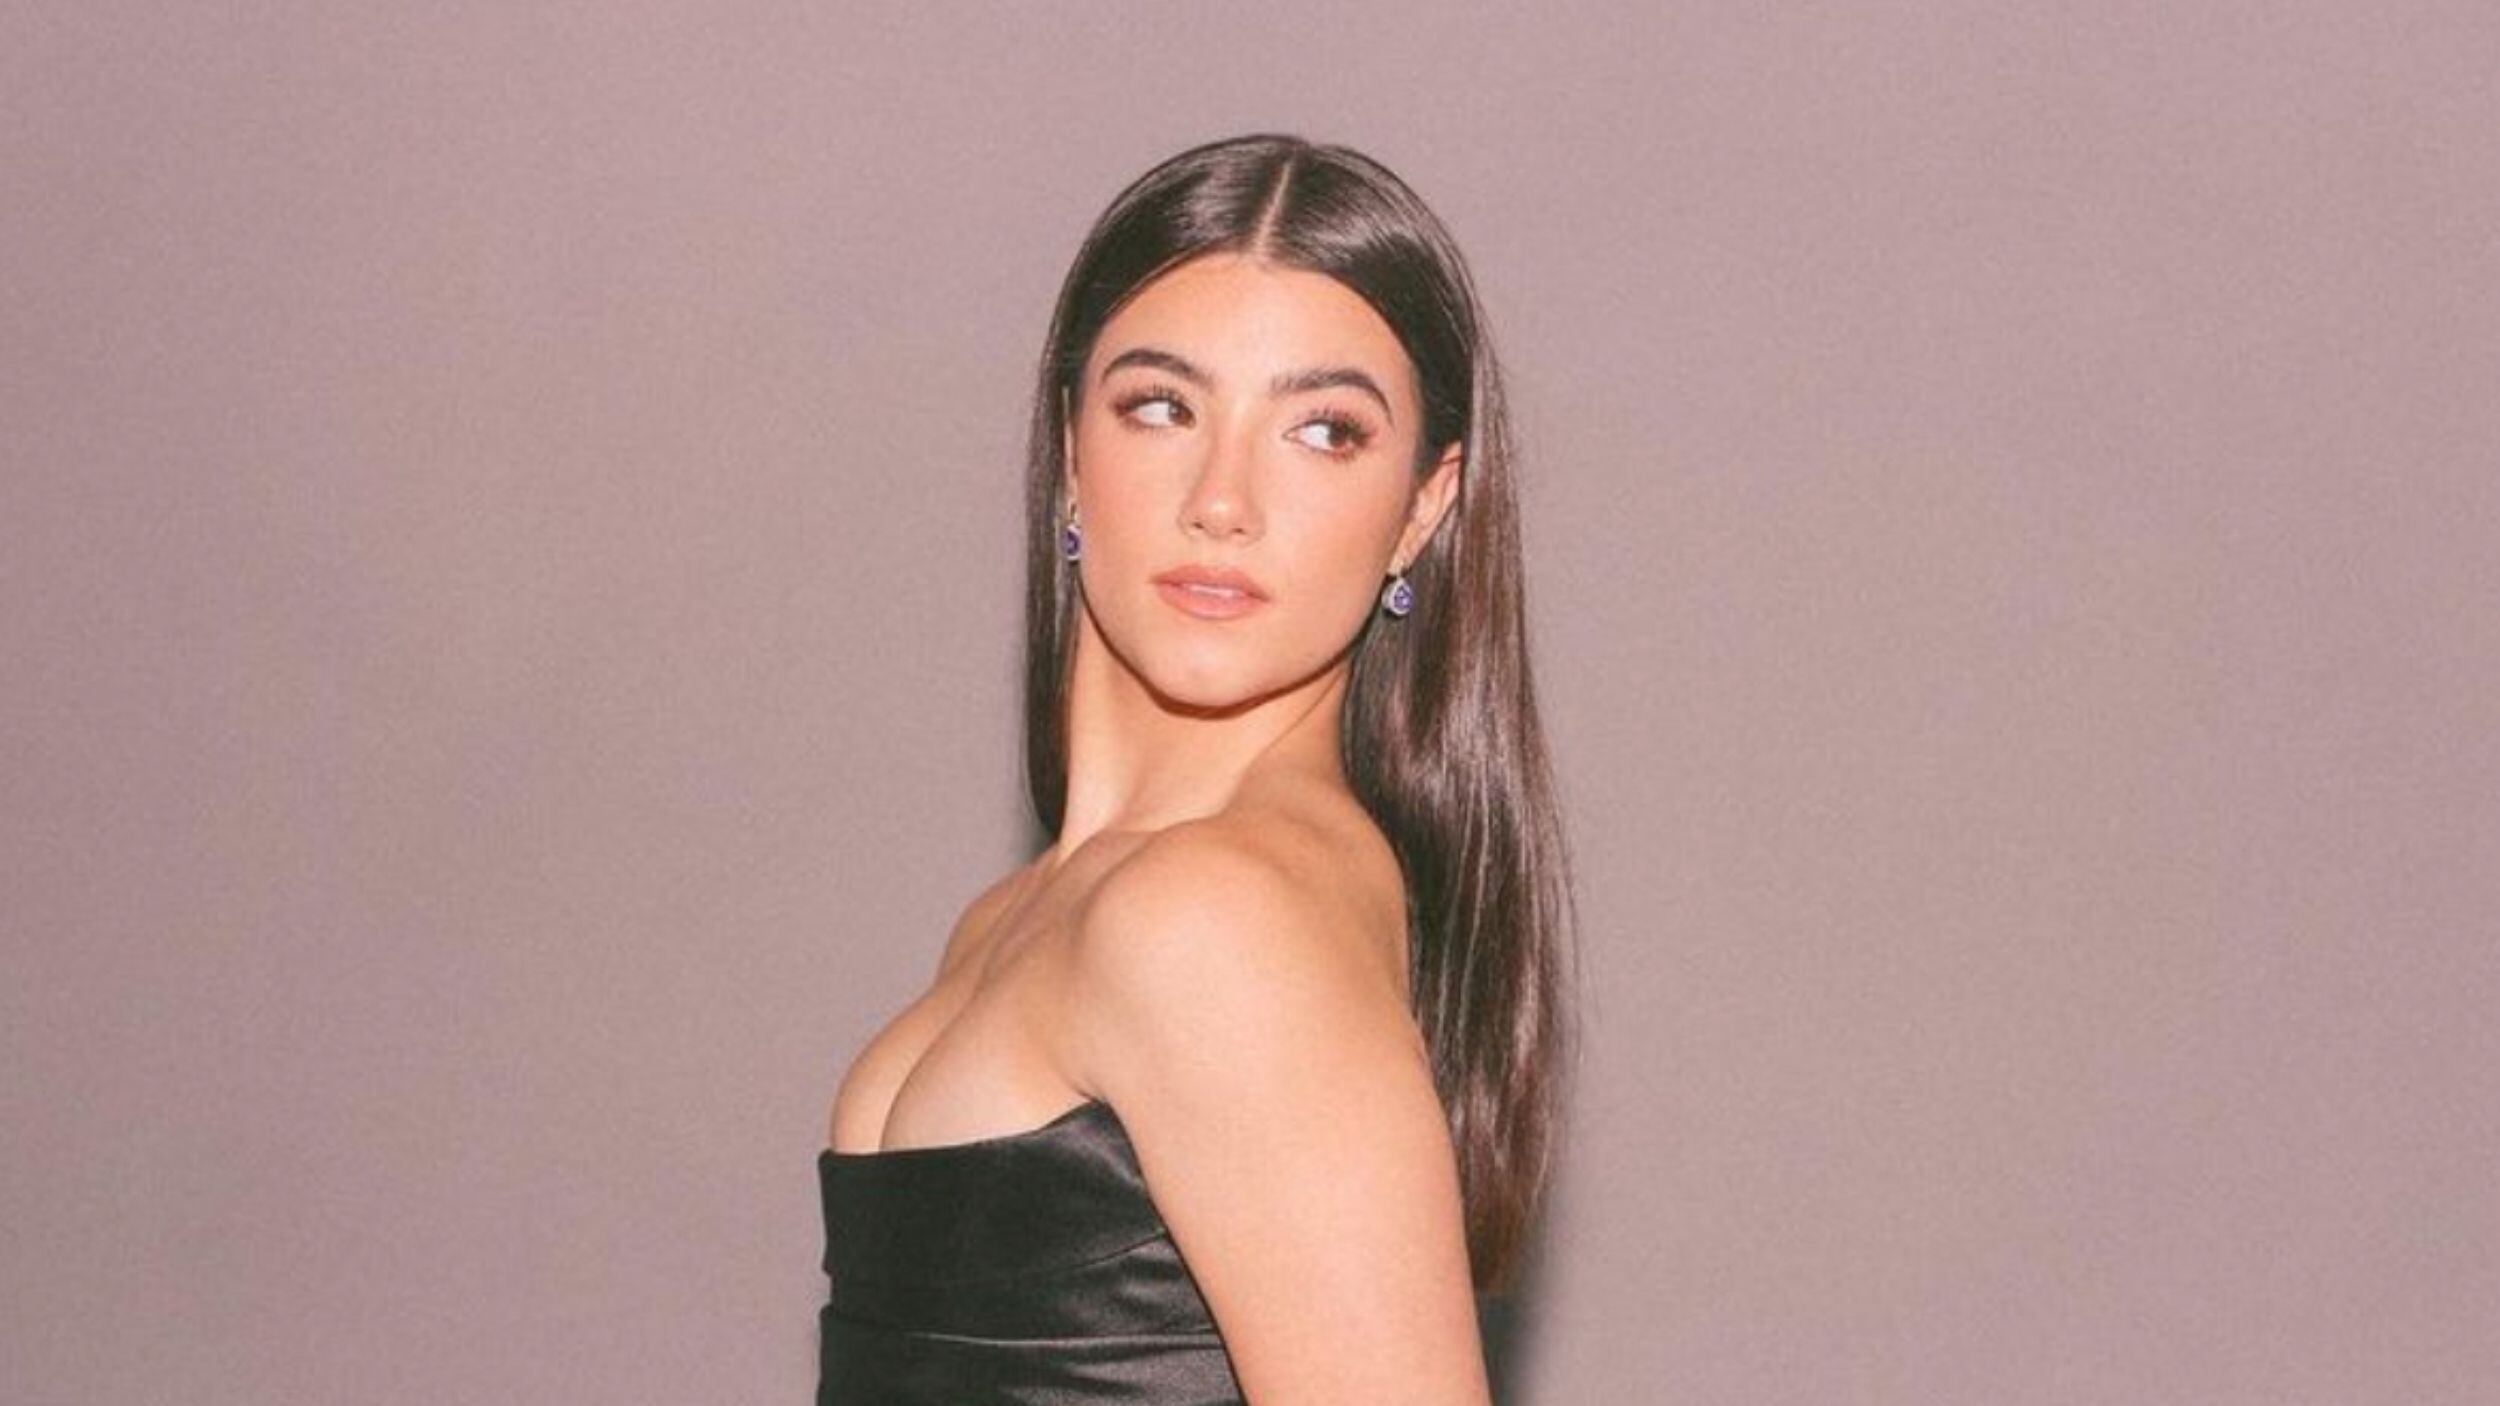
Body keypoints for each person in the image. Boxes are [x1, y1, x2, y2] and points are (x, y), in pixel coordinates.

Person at [817, 132, 1579, 1406]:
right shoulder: (1026, 914)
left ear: (1422, 506)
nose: (1223, 498)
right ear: (1073, 448)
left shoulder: (1214, 917)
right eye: (1163, 406)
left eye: (1323, 430)